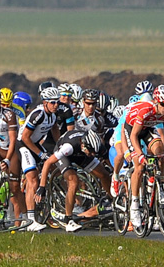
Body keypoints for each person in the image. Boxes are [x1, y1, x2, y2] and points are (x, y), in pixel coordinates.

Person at [125, 85, 164, 228]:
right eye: (163, 104)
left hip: (147, 129)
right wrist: (141, 155)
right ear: (156, 101)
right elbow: (134, 135)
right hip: (132, 130)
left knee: (160, 151)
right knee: (140, 165)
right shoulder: (146, 110)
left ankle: (158, 183)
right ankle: (135, 206)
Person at [37, 129, 112, 232]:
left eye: (95, 152)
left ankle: (112, 200)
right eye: (91, 152)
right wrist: (41, 187)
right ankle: (68, 219)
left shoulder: (95, 147)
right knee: (74, 181)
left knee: (104, 174)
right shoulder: (68, 147)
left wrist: (116, 176)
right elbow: (47, 163)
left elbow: (109, 163)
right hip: (65, 156)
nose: (93, 154)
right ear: (83, 144)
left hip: (81, 154)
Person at [17, 87, 61, 232]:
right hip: (23, 145)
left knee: (55, 165)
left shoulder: (53, 115)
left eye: (57, 102)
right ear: (45, 103)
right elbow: (25, 137)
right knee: (33, 179)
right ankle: (30, 220)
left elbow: (55, 130)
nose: (56, 105)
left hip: (34, 144)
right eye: (53, 102)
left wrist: (60, 145)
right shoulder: (39, 114)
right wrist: (41, 155)